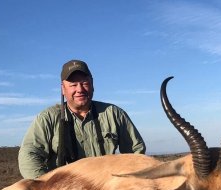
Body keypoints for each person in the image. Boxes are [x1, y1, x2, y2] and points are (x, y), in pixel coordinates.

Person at [18, 59, 146, 179]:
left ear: (92, 84)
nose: (79, 89)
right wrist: (46, 186)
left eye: (84, 83)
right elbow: (28, 154)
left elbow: (136, 153)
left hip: (106, 189)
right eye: (73, 85)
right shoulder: (47, 118)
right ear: (63, 88)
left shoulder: (114, 114)